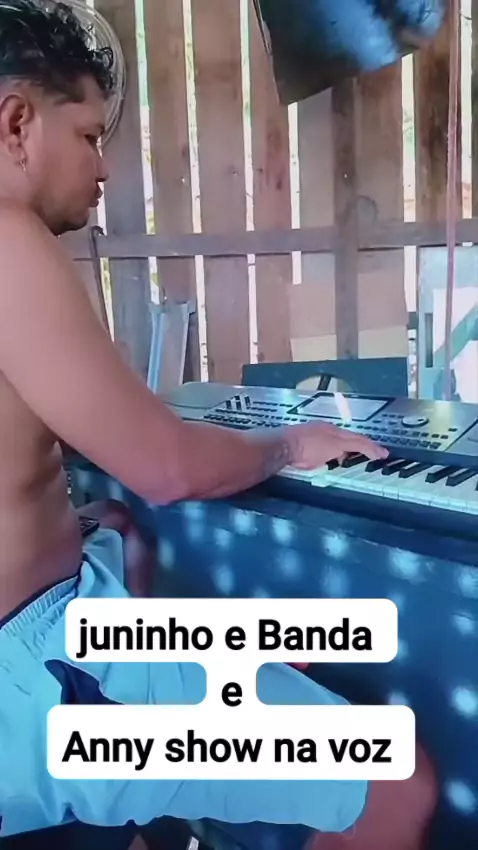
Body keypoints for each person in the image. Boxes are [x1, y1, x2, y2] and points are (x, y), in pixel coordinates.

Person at [0, 1, 437, 847]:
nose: (103, 168)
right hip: (40, 666)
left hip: (47, 628)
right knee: (394, 782)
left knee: (145, 547)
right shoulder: (6, 239)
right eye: (88, 136)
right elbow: (168, 467)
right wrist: (292, 442)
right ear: (17, 123)